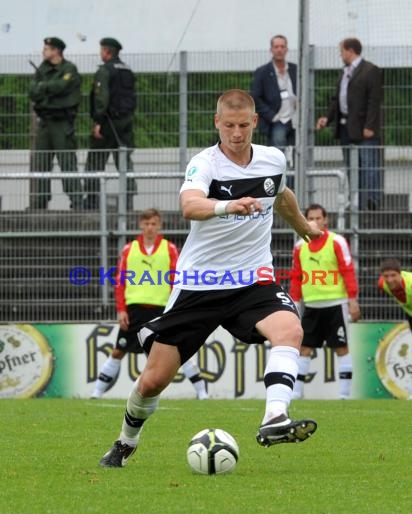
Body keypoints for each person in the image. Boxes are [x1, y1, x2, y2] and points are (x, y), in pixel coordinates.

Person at [99, 89, 322, 468]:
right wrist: (227, 206)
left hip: (253, 279)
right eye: (229, 126)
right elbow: (189, 205)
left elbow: (281, 194)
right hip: (199, 284)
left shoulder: (273, 158)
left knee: (290, 331)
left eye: (243, 125)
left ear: (255, 122)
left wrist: (304, 228)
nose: (236, 133)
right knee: (153, 380)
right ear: (217, 123)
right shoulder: (206, 164)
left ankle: (274, 418)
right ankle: (125, 441)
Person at [91, 208, 208, 400]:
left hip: (161, 309)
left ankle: (202, 393)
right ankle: (96, 393)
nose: (150, 228)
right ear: (140, 225)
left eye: (153, 224)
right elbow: (120, 282)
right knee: (118, 351)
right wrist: (121, 309)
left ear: (159, 225)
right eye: (146, 224)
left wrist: (175, 308)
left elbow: (176, 279)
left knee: (178, 351)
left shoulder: (169, 248)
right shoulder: (129, 249)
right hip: (135, 309)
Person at [289, 203, 361, 400]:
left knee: (341, 347)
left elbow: (348, 271)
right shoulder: (299, 246)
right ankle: (296, 394)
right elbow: (296, 277)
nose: (314, 222)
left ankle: (344, 396)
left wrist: (353, 300)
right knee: (303, 349)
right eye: (310, 218)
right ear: (305, 220)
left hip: (335, 304)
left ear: (325, 220)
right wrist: (294, 305)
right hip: (311, 306)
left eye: (318, 218)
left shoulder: (337, 241)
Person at [316, 37, 383, 211]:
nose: (340, 55)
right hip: (346, 127)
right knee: (352, 168)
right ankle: (357, 203)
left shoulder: (370, 70)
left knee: (369, 165)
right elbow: (337, 100)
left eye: (342, 51)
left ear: (350, 51)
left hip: (364, 128)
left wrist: (370, 126)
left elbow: (374, 101)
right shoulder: (344, 72)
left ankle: (372, 202)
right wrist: (327, 118)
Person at [28, 37, 83, 209]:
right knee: (41, 162)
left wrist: (44, 87)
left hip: (62, 123)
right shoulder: (42, 68)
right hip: (45, 122)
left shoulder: (69, 69)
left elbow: (62, 87)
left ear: (56, 51)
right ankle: (40, 202)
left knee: (67, 162)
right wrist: (49, 89)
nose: (43, 52)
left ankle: (77, 201)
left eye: (46, 49)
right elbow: (32, 92)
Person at [83, 38, 137, 210]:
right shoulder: (127, 70)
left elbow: (102, 98)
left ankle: (92, 201)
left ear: (107, 52)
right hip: (126, 122)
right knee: (124, 161)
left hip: (108, 122)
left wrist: (98, 122)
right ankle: (128, 200)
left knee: (95, 161)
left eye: (101, 50)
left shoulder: (105, 71)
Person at [251, 35, 297, 157]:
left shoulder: (295, 69)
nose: (279, 49)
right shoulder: (262, 72)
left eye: (282, 46)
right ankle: (279, 176)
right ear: (271, 49)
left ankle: (295, 177)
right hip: (277, 119)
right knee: (277, 154)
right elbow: (255, 97)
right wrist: (272, 116)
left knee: (296, 154)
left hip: (295, 119)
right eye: (276, 47)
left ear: (286, 49)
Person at [378, 258, 412, 331]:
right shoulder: (382, 284)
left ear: (400, 274)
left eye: (393, 275)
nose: (390, 280)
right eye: (386, 276)